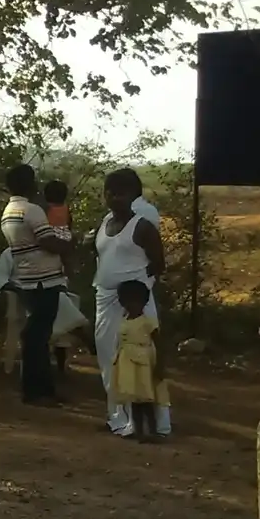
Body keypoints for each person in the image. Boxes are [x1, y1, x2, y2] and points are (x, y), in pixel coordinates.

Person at [94, 167, 170, 438]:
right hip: (105, 298)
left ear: (133, 195)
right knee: (109, 359)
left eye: (121, 193)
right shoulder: (104, 224)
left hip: (135, 302)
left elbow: (158, 263)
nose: (115, 198)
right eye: (110, 192)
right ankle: (118, 419)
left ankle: (157, 424)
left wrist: (138, 288)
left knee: (143, 359)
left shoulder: (142, 226)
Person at [1, 163, 70, 406]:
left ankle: (43, 389)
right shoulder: (32, 210)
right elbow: (49, 243)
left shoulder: (9, 211)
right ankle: (36, 392)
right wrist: (75, 243)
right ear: (30, 184)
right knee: (38, 337)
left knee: (36, 335)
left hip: (27, 279)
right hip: (44, 279)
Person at [108, 279, 169, 442]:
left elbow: (160, 343)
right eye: (127, 300)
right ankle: (139, 431)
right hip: (128, 363)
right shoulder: (123, 319)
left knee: (146, 399)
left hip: (144, 363)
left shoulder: (147, 321)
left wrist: (161, 365)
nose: (131, 304)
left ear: (144, 301)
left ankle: (153, 431)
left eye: (135, 300)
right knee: (134, 399)